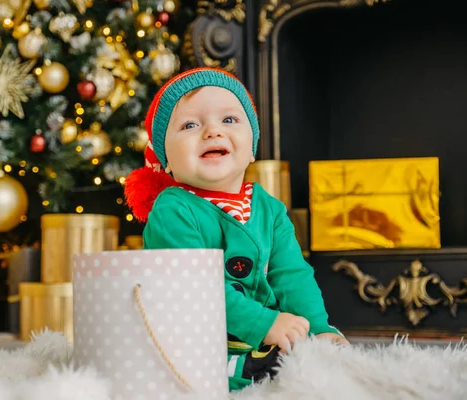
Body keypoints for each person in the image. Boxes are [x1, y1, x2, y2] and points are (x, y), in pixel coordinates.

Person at [124, 67, 348, 391]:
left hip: (260, 337)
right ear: (166, 160)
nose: (213, 131)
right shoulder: (173, 208)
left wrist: (317, 328)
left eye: (229, 120)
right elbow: (195, 289)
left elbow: (291, 274)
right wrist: (265, 323)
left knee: (313, 375)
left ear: (252, 146)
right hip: (196, 341)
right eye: (190, 125)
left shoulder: (269, 209)